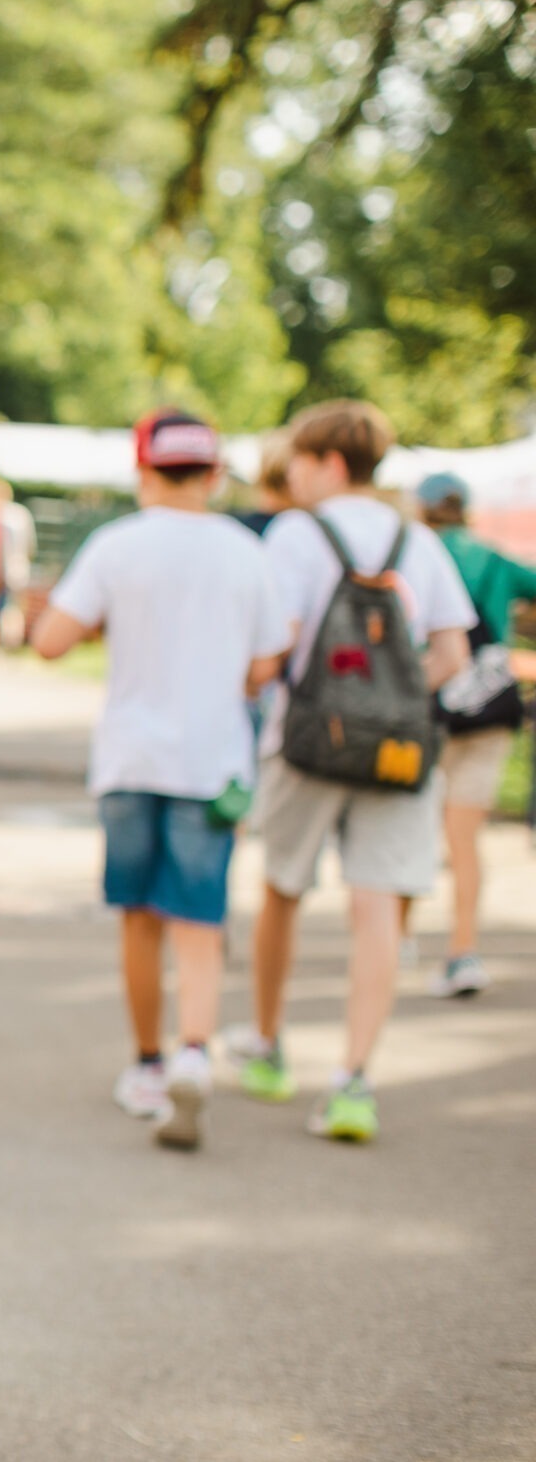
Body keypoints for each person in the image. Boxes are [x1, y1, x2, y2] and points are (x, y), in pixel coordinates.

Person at [31, 411, 289, 1152]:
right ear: (214, 475)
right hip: (213, 762)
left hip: (131, 758)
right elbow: (267, 662)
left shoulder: (116, 545)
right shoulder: (246, 552)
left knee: (139, 918)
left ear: (144, 472)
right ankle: (195, 1053)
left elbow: (50, 642)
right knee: (200, 922)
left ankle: (146, 1064)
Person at [236, 401, 471, 1144]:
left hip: (307, 743)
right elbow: (452, 655)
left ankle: (269, 1043)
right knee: (377, 909)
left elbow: (274, 646)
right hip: (398, 751)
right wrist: (393, 701)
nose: (292, 476)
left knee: (283, 886)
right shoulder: (419, 540)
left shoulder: (299, 536)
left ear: (331, 461)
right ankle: (354, 1079)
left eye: (299, 461)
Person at [413, 469, 536, 998]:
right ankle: (462, 952)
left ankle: (392, 939)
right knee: (465, 841)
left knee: (411, 829)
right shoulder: (495, 559)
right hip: (487, 709)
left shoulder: (415, 554)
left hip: (425, 707)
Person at [0, 477, 36, 646]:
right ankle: (12, 641)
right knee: (16, 606)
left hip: (0, 567)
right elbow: (31, 545)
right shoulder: (21, 513)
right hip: (19, 566)